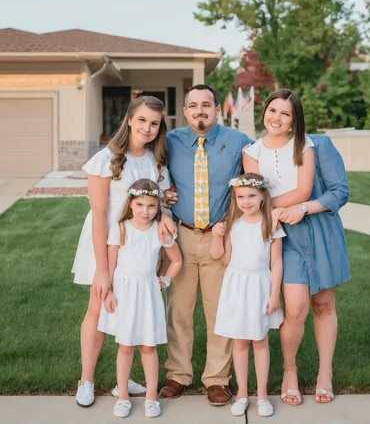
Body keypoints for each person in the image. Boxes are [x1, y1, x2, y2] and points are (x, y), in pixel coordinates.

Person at [243, 89, 350, 406]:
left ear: (294, 121)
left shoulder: (316, 145)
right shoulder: (251, 152)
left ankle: (324, 373)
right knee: (296, 309)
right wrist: (267, 212)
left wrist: (303, 208)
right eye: (272, 110)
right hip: (282, 239)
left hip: (319, 231)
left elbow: (339, 191)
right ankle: (290, 371)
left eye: (285, 113)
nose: (276, 117)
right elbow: (253, 195)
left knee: (324, 305)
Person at [72, 96, 176, 407]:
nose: (147, 127)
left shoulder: (155, 161)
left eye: (154, 123)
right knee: (99, 307)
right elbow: (100, 214)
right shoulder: (106, 159)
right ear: (129, 119)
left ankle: (124, 380)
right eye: (142, 120)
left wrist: (167, 211)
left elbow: (161, 202)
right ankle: (86, 380)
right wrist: (103, 270)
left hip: (140, 248)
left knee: (132, 312)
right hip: (105, 244)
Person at [159, 84, 253, 405]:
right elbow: (157, 180)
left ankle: (217, 378)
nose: (200, 110)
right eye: (193, 105)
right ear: (185, 111)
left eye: (206, 104)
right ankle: (177, 373)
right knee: (179, 310)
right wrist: (165, 209)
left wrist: (232, 221)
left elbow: (256, 182)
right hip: (181, 235)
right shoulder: (169, 142)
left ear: (217, 109)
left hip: (219, 236)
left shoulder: (238, 142)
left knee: (219, 311)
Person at [98, 179, 182, 418]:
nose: (146, 211)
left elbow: (176, 261)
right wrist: (109, 293)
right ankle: (123, 396)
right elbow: (111, 264)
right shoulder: (121, 228)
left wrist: (164, 281)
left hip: (147, 293)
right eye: (140, 205)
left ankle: (151, 397)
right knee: (125, 346)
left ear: (158, 206)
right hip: (124, 293)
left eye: (152, 206)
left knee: (148, 346)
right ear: (131, 203)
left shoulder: (160, 231)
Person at [211, 173, 285, 417]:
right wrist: (217, 237)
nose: (246, 201)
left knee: (260, 340)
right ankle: (242, 393)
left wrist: (275, 294)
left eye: (251, 196)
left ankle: (262, 395)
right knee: (240, 341)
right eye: (241, 196)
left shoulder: (270, 225)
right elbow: (222, 259)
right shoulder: (233, 224)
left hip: (260, 286)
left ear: (263, 196)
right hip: (236, 286)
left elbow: (276, 262)